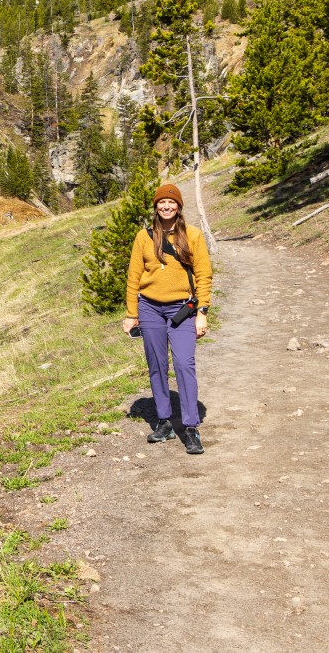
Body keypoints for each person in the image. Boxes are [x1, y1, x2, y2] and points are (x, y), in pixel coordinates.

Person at [122, 182, 212, 454]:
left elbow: (204, 275)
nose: (166, 206)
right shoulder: (144, 237)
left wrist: (202, 312)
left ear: (179, 207)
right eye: (162, 202)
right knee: (157, 365)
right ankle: (164, 422)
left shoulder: (193, 235)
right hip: (149, 309)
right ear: (156, 206)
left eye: (171, 203)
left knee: (185, 364)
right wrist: (131, 314)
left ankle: (191, 427)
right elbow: (134, 277)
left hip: (181, 309)